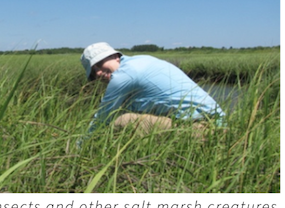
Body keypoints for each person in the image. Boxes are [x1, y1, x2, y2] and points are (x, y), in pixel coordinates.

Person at [79, 42, 225, 142]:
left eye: (98, 64)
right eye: (93, 73)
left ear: (114, 56)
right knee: (129, 108)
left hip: (202, 128)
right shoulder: (142, 59)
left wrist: (80, 145)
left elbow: (102, 117)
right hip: (217, 123)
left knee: (119, 119)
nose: (98, 73)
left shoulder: (124, 75)